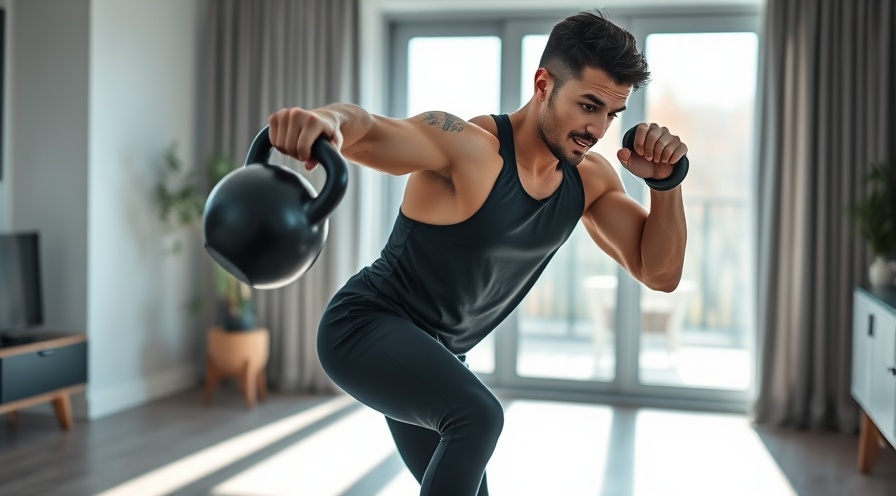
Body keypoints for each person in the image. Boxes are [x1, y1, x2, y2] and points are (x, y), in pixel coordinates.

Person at [267, 10, 687, 496]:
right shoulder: (467, 146)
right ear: (543, 83)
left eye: (611, 115)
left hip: (437, 353)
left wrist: (666, 185)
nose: (597, 128)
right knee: (478, 416)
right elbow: (369, 129)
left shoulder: (589, 179)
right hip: (365, 326)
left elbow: (659, 273)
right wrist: (325, 121)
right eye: (588, 105)